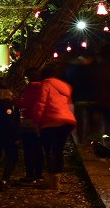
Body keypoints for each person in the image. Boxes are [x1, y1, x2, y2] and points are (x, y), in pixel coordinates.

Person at [31, 63, 77, 191]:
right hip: (66, 121)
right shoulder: (65, 86)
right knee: (58, 150)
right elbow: (70, 105)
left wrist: (36, 121)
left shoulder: (45, 85)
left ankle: (53, 181)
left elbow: (41, 104)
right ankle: (57, 180)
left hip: (50, 121)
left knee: (49, 151)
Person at [15, 67, 45, 184]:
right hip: (41, 121)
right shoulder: (44, 87)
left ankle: (30, 175)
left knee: (29, 149)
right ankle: (39, 174)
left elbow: (26, 103)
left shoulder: (31, 87)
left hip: (29, 121)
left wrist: (14, 101)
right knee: (39, 149)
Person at [63, 52, 97, 143]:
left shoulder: (72, 71)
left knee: (80, 120)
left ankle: (80, 139)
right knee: (91, 120)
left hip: (78, 99)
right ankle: (90, 139)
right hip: (91, 99)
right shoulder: (93, 70)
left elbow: (68, 84)